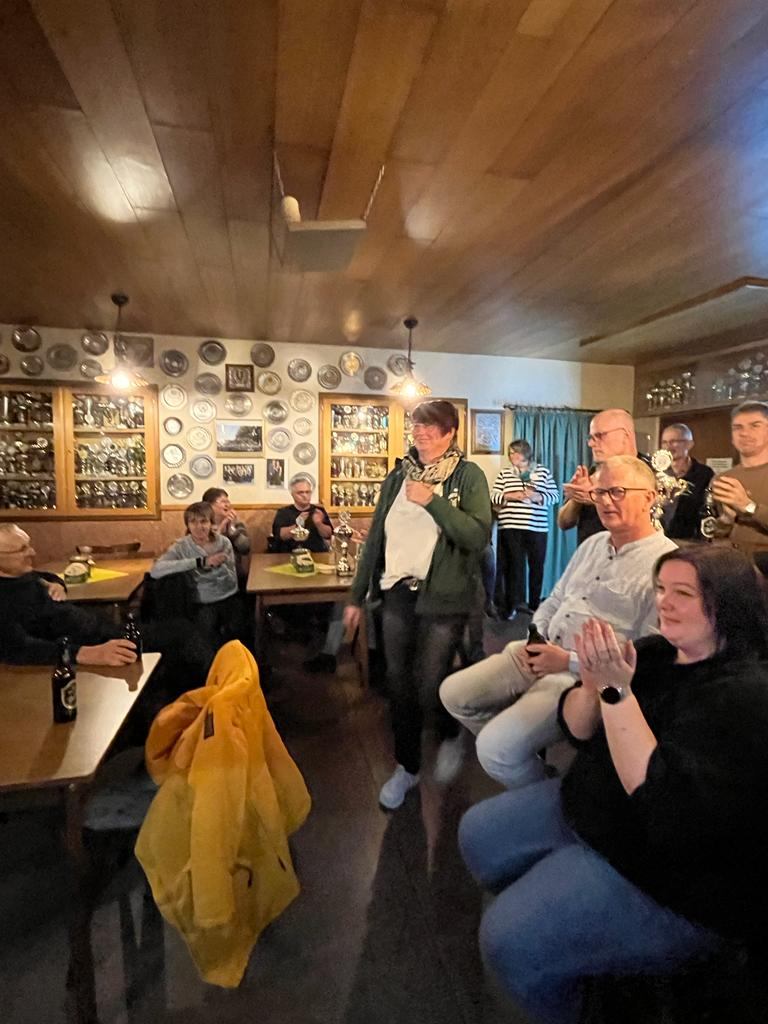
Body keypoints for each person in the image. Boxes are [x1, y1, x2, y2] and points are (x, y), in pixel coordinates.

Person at [458, 545, 768, 1024]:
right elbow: (578, 730)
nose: (664, 602)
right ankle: (571, 948)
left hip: (670, 876)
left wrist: (615, 692)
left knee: (509, 940)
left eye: (683, 593)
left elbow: (659, 800)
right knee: (479, 832)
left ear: (727, 604)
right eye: (661, 589)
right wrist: (591, 684)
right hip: (599, 810)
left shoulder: (746, 694)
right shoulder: (657, 653)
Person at [440, 456, 676, 789]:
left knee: (494, 751)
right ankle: (527, 757)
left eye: (618, 492)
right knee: (453, 694)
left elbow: (645, 654)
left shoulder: (665, 563)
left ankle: (548, 792)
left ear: (649, 498)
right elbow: (556, 597)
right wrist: (536, 636)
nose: (606, 501)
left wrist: (566, 661)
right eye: (600, 493)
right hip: (540, 650)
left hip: (582, 677)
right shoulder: (593, 544)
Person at [343, 400, 491, 809]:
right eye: (417, 424)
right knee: (398, 684)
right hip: (396, 592)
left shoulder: (468, 476)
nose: (421, 432)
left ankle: (449, 732)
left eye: (431, 426)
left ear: (450, 432)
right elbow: (376, 537)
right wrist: (356, 596)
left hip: (444, 596)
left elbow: (477, 536)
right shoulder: (398, 475)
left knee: (430, 682)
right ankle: (407, 767)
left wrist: (433, 501)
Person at [0, 523, 214, 680]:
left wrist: (56, 583)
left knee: (183, 630)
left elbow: (47, 575)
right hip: (94, 645)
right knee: (183, 636)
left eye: (29, 545)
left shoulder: (23, 574)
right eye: (22, 549)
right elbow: (17, 648)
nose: (32, 552)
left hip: (102, 629)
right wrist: (83, 653)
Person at [150, 501, 243, 643]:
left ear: (211, 523)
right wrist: (200, 562)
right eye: (193, 522)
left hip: (228, 595)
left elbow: (231, 576)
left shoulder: (224, 542)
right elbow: (156, 570)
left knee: (241, 631)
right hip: (201, 601)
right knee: (205, 635)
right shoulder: (181, 546)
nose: (199, 527)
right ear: (187, 525)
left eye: (203, 521)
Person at [492, 439, 558, 619]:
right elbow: (494, 496)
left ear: (526, 454)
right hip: (510, 526)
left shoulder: (542, 472)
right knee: (513, 567)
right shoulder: (505, 473)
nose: (512, 456)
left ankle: (535, 605)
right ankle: (511, 606)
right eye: (510, 453)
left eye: (516, 452)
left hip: (537, 528)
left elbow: (555, 496)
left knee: (537, 566)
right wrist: (510, 496)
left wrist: (537, 496)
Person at [557, 408, 641, 545]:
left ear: (625, 436)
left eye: (600, 436)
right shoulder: (591, 473)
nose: (591, 444)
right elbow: (564, 523)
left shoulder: (646, 473)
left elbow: (641, 517)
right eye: (591, 438)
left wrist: (594, 498)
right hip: (590, 554)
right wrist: (577, 498)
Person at [710, 401, 768, 560]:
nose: (744, 433)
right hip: (733, 566)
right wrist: (725, 522)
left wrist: (748, 506)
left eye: (755, 426)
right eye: (737, 427)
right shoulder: (722, 479)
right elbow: (716, 535)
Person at [659, 422, 714, 539]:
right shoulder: (656, 472)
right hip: (658, 539)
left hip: (689, 541)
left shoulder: (704, 474)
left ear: (689, 444)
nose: (668, 447)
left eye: (674, 441)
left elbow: (708, 508)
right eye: (664, 442)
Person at [271, 475, 333, 553]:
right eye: (300, 493)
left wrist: (319, 523)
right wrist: (298, 525)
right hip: (288, 554)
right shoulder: (283, 512)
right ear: (292, 494)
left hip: (315, 553)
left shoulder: (318, 511)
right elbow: (280, 535)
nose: (305, 495)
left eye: (307, 492)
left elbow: (328, 535)